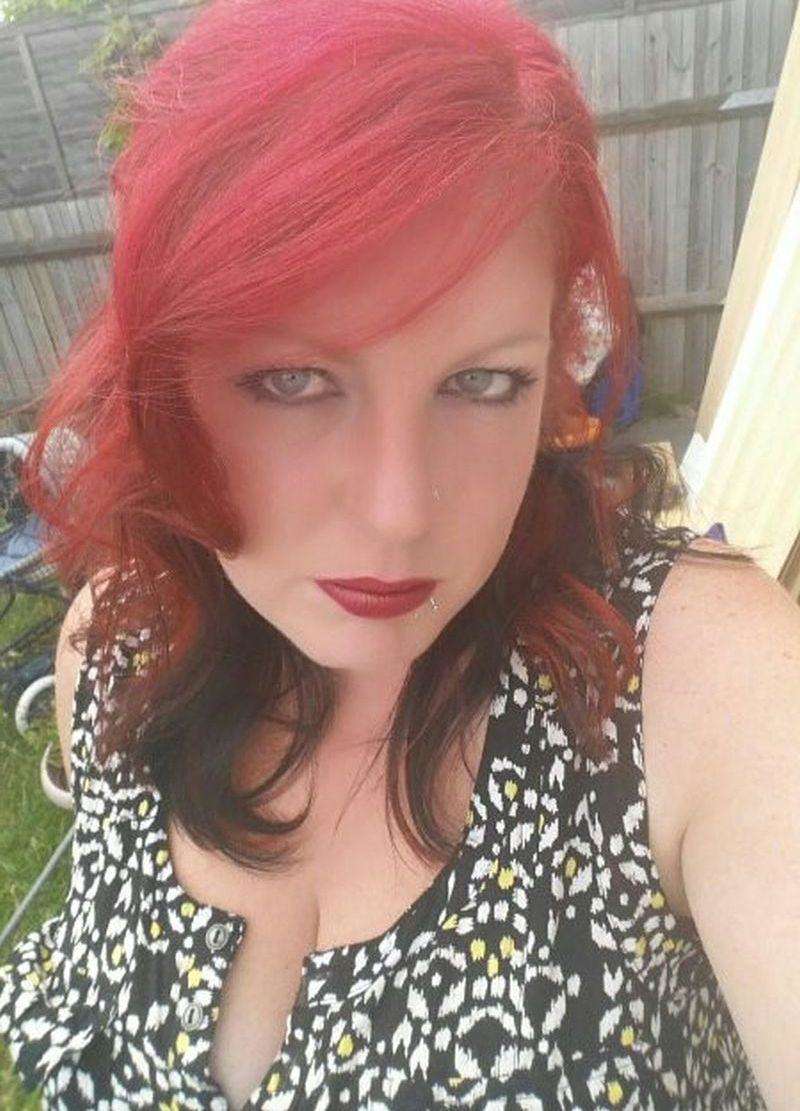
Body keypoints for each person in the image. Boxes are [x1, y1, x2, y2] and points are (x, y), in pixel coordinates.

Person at [1, 1, 798, 1108]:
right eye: (291, 381)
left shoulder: (700, 684)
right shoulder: (115, 653)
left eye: (481, 382)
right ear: (164, 381)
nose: (397, 511)